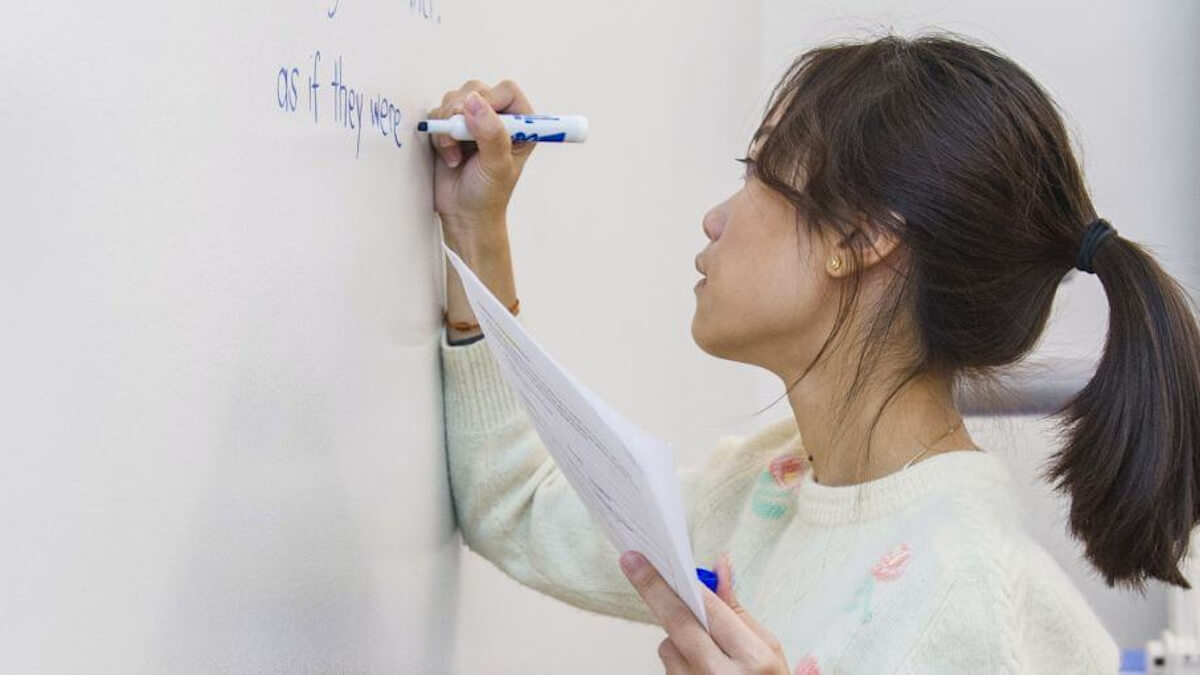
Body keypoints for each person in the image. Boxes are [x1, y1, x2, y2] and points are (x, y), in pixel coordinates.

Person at [433, 31, 1200, 673]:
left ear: (862, 239)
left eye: (760, 173)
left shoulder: (976, 604)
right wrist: (477, 230)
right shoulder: (769, 489)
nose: (714, 218)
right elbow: (518, 508)